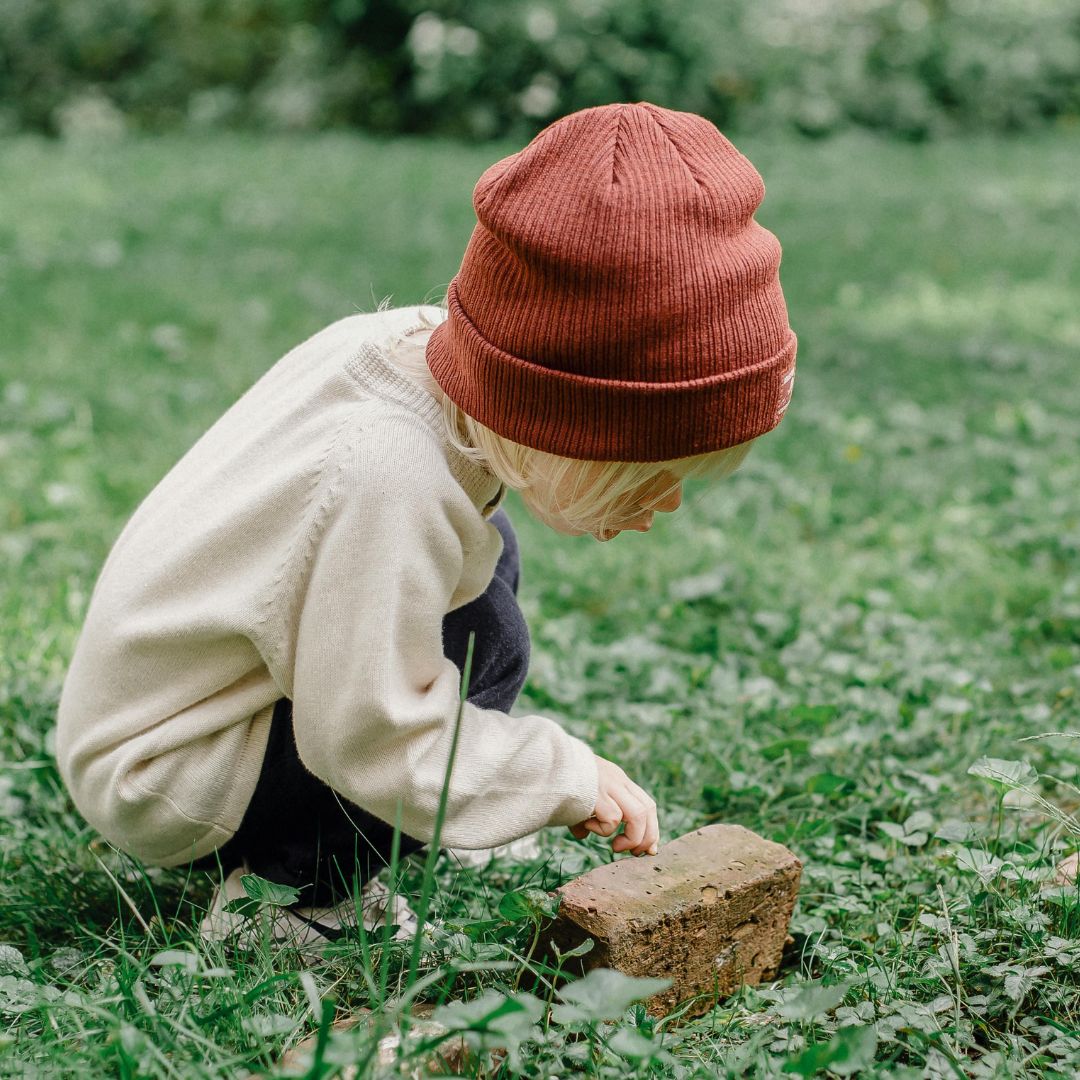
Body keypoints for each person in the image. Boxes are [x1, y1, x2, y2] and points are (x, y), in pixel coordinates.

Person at [54, 101, 798, 944]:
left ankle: (432, 804)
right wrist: (556, 776)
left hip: (202, 698)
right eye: (648, 476)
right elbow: (371, 737)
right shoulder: (384, 477)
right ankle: (293, 900)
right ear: (564, 416)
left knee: (481, 585)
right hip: (166, 765)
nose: (663, 507)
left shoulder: (425, 364)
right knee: (484, 647)